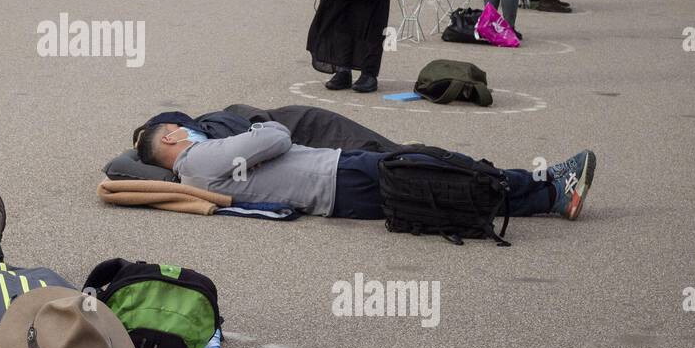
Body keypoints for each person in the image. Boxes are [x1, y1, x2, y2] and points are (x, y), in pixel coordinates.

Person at [134, 121, 596, 222]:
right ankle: (546, 184)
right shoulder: (201, 158)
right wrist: (260, 125)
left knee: (439, 195)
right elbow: (275, 138)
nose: (189, 128)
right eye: (180, 127)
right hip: (335, 175)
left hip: (331, 191)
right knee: (436, 171)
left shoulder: (192, 175)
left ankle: (550, 195)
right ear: (172, 140)